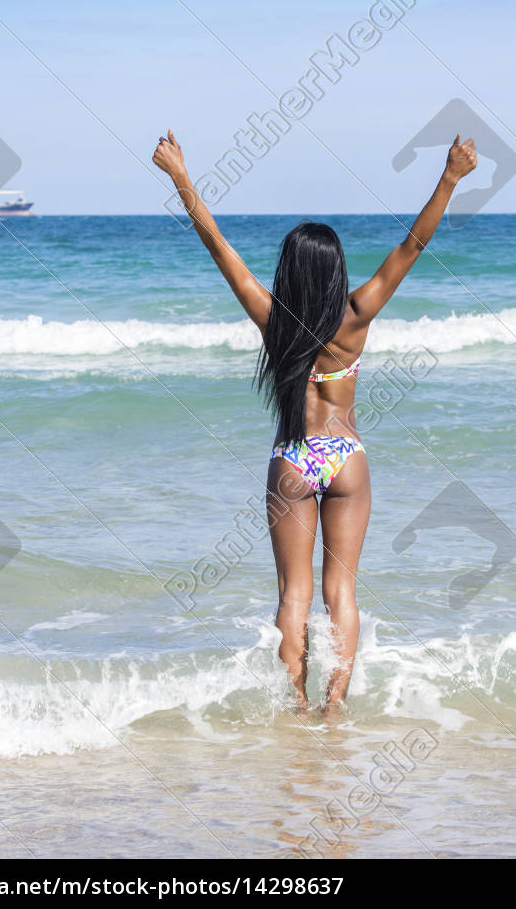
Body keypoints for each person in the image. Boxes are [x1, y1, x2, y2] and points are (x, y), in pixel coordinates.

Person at [152, 129, 478, 719]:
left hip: (293, 460)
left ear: (288, 271)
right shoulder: (356, 315)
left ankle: (296, 703)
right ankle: (335, 705)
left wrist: (181, 178)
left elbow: (218, 246)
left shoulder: (271, 317)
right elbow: (412, 246)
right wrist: (450, 178)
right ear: (334, 273)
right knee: (342, 592)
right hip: (345, 456)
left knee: (294, 595)